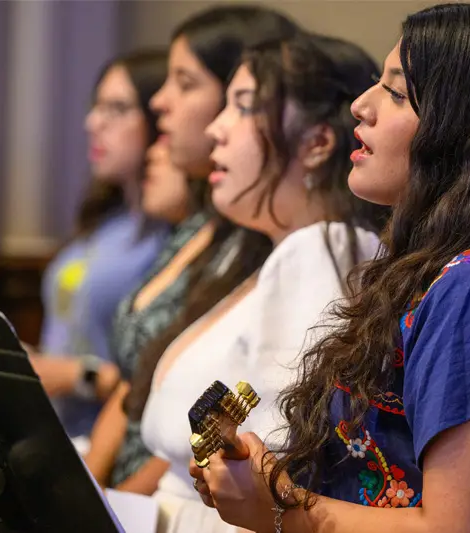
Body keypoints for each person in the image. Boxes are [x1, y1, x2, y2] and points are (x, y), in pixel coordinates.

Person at [191, 4, 470, 533]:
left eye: (397, 93)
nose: (360, 105)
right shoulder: (434, 271)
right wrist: (264, 478)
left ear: (469, 130)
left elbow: (453, 526)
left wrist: (278, 506)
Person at [139, 31, 385, 533]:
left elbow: (274, 462)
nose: (216, 129)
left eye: (244, 107)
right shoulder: (284, 254)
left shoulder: (323, 252)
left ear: (317, 143)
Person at [82, 5, 300, 489]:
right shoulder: (199, 226)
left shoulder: (280, 245)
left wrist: (119, 501)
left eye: (184, 82)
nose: (160, 101)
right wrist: (91, 486)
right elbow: (135, 379)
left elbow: (230, 410)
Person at [30, 50, 172, 440]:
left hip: (107, 441)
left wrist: (80, 375)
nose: (93, 122)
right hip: (55, 432)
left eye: (117, 108)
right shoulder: (107, 220)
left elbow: (155, 379)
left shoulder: (173, 236)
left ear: (160, 118)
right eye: (97, 106)